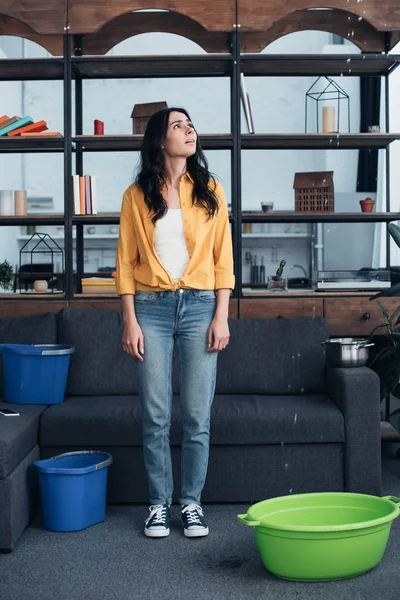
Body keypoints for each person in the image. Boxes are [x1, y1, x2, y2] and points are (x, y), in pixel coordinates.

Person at [116, 107, 235, 538]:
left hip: (202, 306)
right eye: (178, 126)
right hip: (150, 309)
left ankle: (191, 504)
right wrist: (129, 321)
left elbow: (224, 260)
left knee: (197, 415)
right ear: (159, 141)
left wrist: (221, 315)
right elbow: (125, 266)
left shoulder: (211, 190)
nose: (190, 131)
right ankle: (157, 506)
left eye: (191, 125)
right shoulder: (136, 196)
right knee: (156, 414)